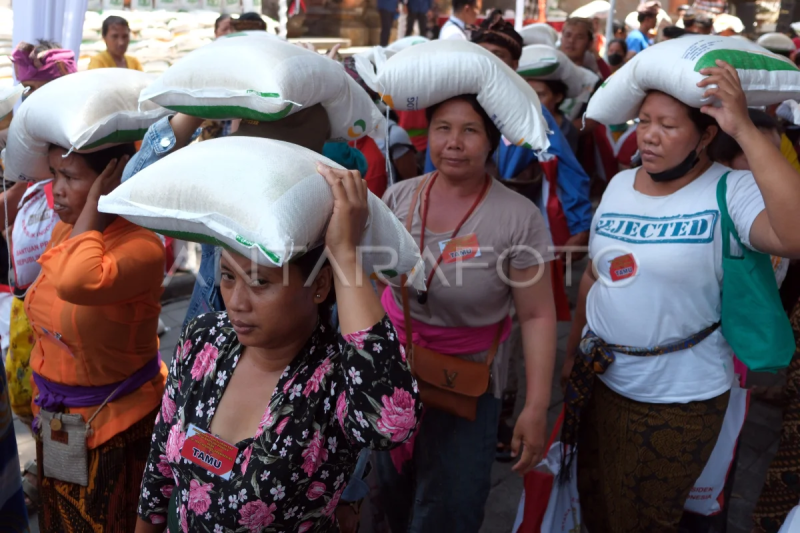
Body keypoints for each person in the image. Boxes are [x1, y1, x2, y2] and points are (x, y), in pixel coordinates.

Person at [561, 61, 800, 531]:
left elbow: (794, 235)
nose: (648, 136)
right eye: (643, 122)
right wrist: (571, 353)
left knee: (647, 520)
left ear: (706, 135)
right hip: (601, 382)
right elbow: (595, 275)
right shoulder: (618, 186)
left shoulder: (732, 190)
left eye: (668, 126)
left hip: (680, 399)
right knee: (597, 508)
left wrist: (745, 128)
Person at [135, 163, 420, 531]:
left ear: (319, 286)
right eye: (227, 276)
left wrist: (345, 255)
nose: (236, 301)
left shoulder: (334, 378)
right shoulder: (203, 339)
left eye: (259, 282)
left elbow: (390, 424)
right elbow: (159, 466)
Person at [375, 92, 557, 532]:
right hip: (392, 375)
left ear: (492, 142)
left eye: (470, 131)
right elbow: (370, 282)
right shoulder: (398, 198)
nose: (454, 142)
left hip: (469, 383)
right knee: (385, 503)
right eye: (443, 128)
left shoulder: (517, 216)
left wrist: (535, 407)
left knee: (450, 509)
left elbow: (536, 316)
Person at [25, 142, 167, 532]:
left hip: (113, 428)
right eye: (54, 175)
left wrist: (95, 211)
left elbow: (76, 280)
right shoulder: (65, 232)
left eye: (70, 177)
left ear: (111, 179)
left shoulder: (142, 246)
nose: (58, 190)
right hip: (59, 422)